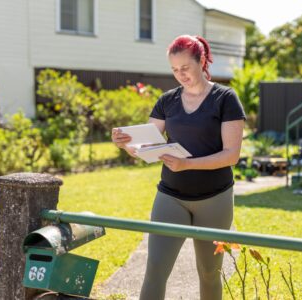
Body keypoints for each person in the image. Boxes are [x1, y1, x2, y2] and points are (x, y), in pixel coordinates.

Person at [111, 35, 246, 300]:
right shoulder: (167, 100)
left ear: (202, 61)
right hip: (170, 197)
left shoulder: (225, 98)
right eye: (174, 70)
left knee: (209, 271)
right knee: (156, 268)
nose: (180, 75)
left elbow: (232, 155)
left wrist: (188, 164)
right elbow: (146, 146)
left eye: (185, 68)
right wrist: (126, 143)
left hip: (215, 199)